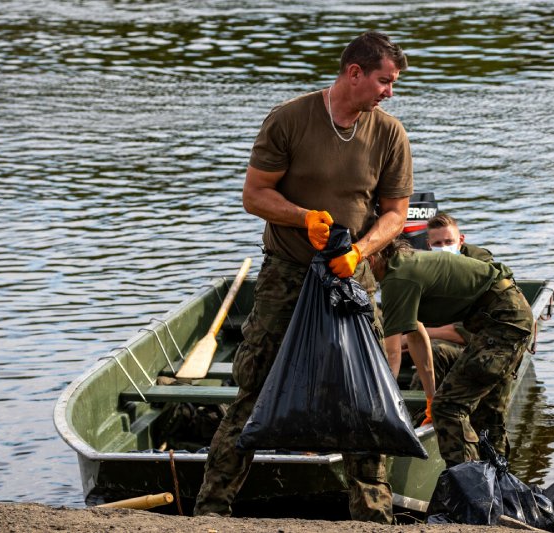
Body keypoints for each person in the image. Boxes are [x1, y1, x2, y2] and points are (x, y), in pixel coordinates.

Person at [193, 31, 413, 523]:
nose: (389, 92)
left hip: (352, 279)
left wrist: (359, 251)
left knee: (366, 395)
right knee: (253, 388)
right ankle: (211, 510)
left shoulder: (389, 133)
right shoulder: (290, 118)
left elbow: (396, 214)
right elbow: (255, 195)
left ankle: (373, 515)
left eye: (392, 84)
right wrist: (302, 217)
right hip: (287, 275)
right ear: (354, 73)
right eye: (384, 80)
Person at [368, 239, 533, 468]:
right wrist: (430, 395)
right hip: (505, 318)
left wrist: (382, 407)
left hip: (502, 322)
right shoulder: (403, 265)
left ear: (372, 257)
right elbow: (417, 337)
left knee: (448, 408)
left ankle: (471, 490)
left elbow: (393, 353)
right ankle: (497, 483)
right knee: (486, 412)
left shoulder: (397, 278)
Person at [406, 213, 494, 403]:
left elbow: (462, 333)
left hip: (474, 349)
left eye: (449, 241)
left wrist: (419, 337)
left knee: (435, 351)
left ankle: (418, 413)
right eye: (438, 244)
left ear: (461, 241)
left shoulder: (476, 271)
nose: (444, 248)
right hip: (432, 339)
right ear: (429, 245)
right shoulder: (423, 272)